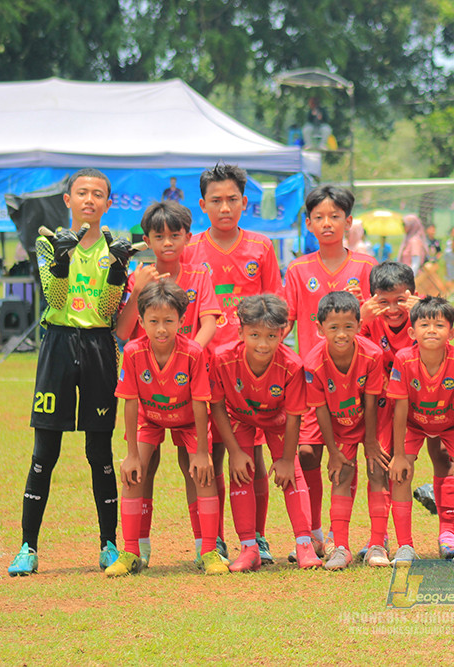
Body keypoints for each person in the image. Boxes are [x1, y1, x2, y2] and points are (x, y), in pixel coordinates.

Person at [8, 168, 136, 576]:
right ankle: (28, 547)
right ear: (68, 200)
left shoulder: (115, 246)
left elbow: (104, 312)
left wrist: (118, 271)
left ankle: (109, 545)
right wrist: (61, 261)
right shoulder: (47, 243)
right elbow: (55, 296)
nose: (89, 200)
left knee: (99, 451)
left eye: (98, 194)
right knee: (45, 450)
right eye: (82, 193)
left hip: (98, 347)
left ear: (108, 203)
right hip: (58, 345)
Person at [183, 163, 284, 563]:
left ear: (245, 202)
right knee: (201, 457)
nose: (224, 207)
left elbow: (274, 308)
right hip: (199, 369)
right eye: (215, 200)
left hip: (247, 373)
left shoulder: (261, 247)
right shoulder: (188, 249)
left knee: (251, 455)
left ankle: (254, 537)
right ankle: (206, 539)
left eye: (232, 200)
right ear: (203, 204)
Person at [115, 201, 220, 566]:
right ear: (147, 240)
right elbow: (123, 330)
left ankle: (206, 550)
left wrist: (186, 354)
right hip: (149, 394)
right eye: (159, 236)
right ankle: (135, 551)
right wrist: (136, 289)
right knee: (138, 468)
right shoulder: (139, 277)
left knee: (197, 467)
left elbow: (209, 321)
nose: (168, 243)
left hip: (190, 384)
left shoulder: (199, 276)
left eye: (175, 235)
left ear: (188, 237)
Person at [284, 185, 376, 558]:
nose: (327, 223)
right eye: (319, 217)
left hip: (359, 382)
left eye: (335, 216)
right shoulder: (297, 269)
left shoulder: (367, 266)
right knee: (307, 454)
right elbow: (285, 322)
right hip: (314, 383)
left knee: (353, 459)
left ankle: (360, 539)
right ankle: (315, 533)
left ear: (348, 221)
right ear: (308, 223)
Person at [209, 295, 321, 570]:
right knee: (241, 472)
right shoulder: (223, 359)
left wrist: (284, 459)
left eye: (271, 336)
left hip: (279, 421)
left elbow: (295, 415)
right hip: (240, 419)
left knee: (292, 473)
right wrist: (234, 451)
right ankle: (249, 548)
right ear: (240, 332)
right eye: (254, 334)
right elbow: (217, 406)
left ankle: (304, 544)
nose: (262, 343)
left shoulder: (292, 365)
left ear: (282, 333)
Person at [388, 297, 454, 565]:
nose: (431, 330)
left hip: (451, 424)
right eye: (424, 324)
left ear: (451, 333)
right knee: (401, 474)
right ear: (412, 332)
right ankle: (405, 546)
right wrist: (399, 455)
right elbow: (400, 410)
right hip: (415, 424)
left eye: (439, 325)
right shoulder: (403, 359)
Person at [303, 291, 387, 571]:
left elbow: (372, 400)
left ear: (359, 325)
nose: (341, 334)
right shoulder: (313, 363)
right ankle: (341, 547)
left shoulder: (373, 355)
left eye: (349, 326)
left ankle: (377, 544)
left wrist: (372, 442)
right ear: (319, 328)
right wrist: (333, 451)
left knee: (378, 470)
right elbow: (321, 410)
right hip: (338, 424)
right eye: (333, 327)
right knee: (342, 473)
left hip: (373, 420)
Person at [356, 261, 420, 562]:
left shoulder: (423, 318)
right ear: (372, 300)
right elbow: (348, 349)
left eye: (400, 301)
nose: (393, 309)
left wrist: (423, 313)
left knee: (403, 470)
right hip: (379, 405)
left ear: (413, 295)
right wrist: (359, 319)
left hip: (418, 406)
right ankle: (377, 542)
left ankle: (407, 543)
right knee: (377, 468)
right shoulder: (367, 322)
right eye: (384, 302)